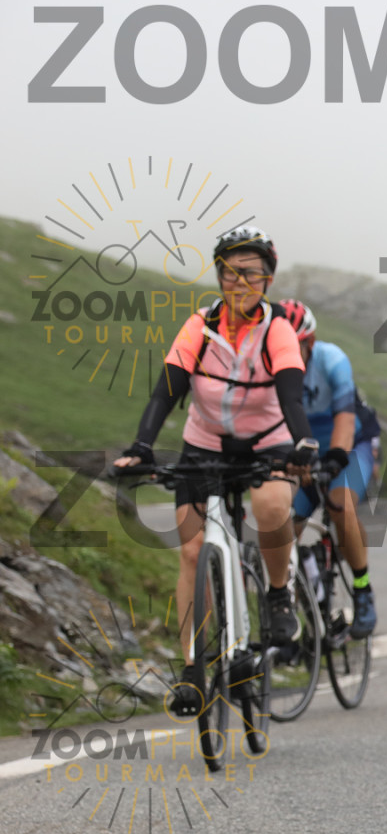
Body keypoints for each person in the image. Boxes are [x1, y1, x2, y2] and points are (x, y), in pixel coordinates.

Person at [113, 226, 318, 716]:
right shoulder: (199, 326)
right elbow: (166, 391)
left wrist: (304, 443)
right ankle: (192, 672)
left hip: (267, 442)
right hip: (203, 445)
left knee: (271, 505)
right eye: (230, 271)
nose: (239, 281)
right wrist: (142, 446)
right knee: (190, 551)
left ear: (267, 279)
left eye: (250, 272)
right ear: (219, 276)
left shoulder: (277, 329)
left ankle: (277, 594)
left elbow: (290, 395)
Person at [282, 301, 379, 638]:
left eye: (293, 346)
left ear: (309, 342)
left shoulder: (331, 359)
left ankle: (363, 589)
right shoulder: (271, 369)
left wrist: (335, 458)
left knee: (340, 504)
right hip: (305, 452)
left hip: (350, 444)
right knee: (282, 523)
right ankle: (292, 613)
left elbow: (345, 418)